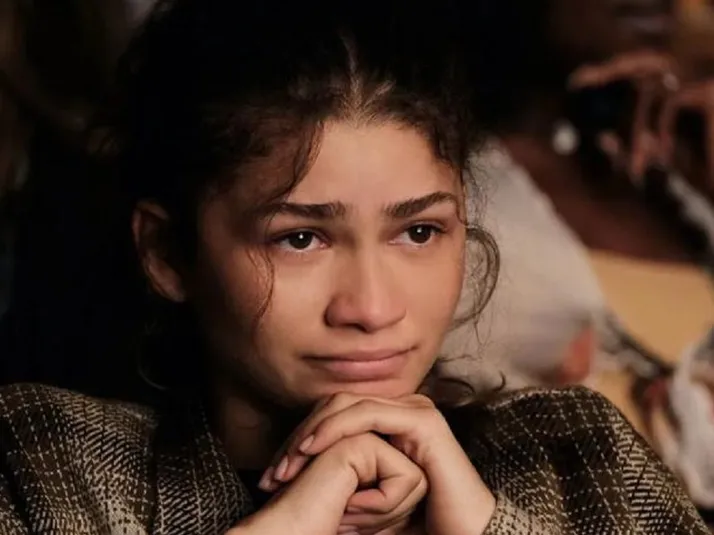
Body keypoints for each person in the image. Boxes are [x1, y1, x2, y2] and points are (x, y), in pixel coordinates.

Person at [0, 0, 707, 533]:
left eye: (419, 232)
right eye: (300, 239)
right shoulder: (48, 464)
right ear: (166, 253)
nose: (371, 308)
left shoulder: (581, 458)